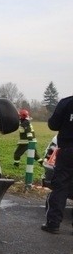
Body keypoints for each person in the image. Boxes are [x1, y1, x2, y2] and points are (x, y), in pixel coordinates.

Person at [42, 96, 73, 233]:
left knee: (60, 186)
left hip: (67, 150)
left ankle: (53, 224)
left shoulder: (67, 102)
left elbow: (53, 124)